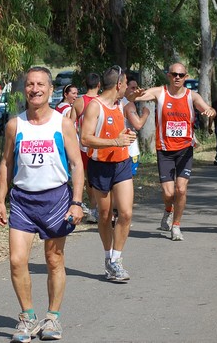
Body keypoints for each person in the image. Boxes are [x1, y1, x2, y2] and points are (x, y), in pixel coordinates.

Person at [0, 67, 85, 342]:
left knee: (53, 260)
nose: (35, 89)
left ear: (50, 89)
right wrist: (0, 200)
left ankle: (53, 318)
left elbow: (77, 164)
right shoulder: (15, 125)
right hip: (22, 200)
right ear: (25, 89)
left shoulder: (62, 123)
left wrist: (77, 202)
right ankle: (28, 318)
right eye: (30, 84)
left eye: (40, 84)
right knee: (16, 260)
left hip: (56, 199)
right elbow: (6, 163)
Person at [128, 63, 216, 241]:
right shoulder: (160, 93)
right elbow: (132, 97)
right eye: (174, 74)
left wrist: (210, 112)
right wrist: (133, 94)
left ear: (186, 76)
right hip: (165, 151)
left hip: (185, 150)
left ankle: (176, 225)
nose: (177, 77)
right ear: (169, 75)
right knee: (168, 193)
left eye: (181, 75)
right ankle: (168, 210)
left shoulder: (192, 96)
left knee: (181, 190)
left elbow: (210, 109)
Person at [81, 65, 137, 282]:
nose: (126, 89)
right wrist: (115, 141)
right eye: (125, 84)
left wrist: (125, 136)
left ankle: (116, 259)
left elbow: (117, 131)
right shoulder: (95, 107)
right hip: (100, 165)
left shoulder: (120, 104)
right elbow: (85, 138)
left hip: (122, 163)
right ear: (119, 84)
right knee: (104, 216)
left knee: (125, 213)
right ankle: (107, 256)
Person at [70, 73, 101, 221]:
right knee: (101, 177)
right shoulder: (102, 101)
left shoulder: (78, 102)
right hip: (101, 145)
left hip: (83, 147)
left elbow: (70, 125)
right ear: (99, 85)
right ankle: (102, 209)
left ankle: (94, 209)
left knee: (89, 179)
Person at [122, 75, 150, 175]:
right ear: (125, 87)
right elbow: (138, 125)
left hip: (120, 148)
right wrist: (146, 114)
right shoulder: (128, 104)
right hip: (129, 151)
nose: (135, 91)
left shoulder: (116, 102)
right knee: (127, 182)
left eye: (136, 87)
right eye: (132, 88)